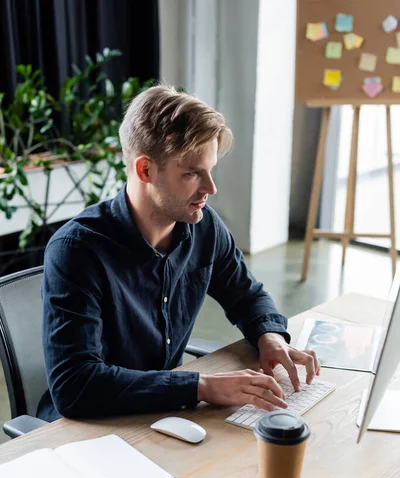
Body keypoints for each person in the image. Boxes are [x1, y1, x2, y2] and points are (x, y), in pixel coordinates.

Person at [37, 83, 320, 422]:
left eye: (210, 170)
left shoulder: (203, 226)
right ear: (145, 170)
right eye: (191, 174)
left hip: (163, 415)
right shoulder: (77, 251)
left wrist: (269, 336)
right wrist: (202, 387)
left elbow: (247, 295)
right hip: (90, 429)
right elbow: (76, 387)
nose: (210, 189)